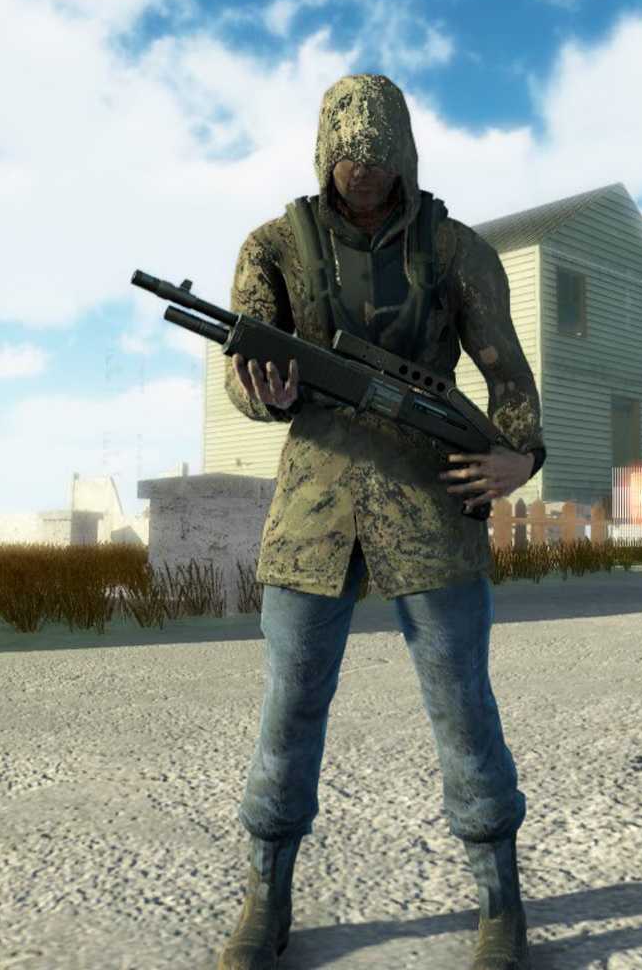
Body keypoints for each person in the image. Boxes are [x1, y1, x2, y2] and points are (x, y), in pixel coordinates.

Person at [217, 73, 546, 970]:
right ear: (323, 152)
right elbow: (243, 370)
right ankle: (266, 897)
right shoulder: (273, 247)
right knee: (288, 710)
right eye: (346, 157)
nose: (361, 172)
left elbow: (509, 378)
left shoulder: (456, 251)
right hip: (313, 513)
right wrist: (263, 393)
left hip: (434, 506)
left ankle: (500, 903)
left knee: (463, 708)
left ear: (403, 153)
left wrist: (520, 458)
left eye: (377, 156)